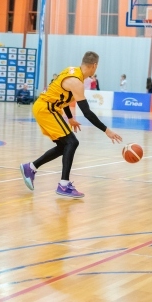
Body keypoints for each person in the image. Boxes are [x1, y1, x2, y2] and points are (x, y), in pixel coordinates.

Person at [19, 51, 122, 198]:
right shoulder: (77, 82)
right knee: (72, 142)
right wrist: (106, 130)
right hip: (47, 109)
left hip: (47, 107)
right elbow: (87, 112)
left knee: (64, 145)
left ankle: (31, 167)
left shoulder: (71, 71)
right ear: (94, 66)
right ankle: (64, 184)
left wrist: (70, 117)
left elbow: (62, 95)